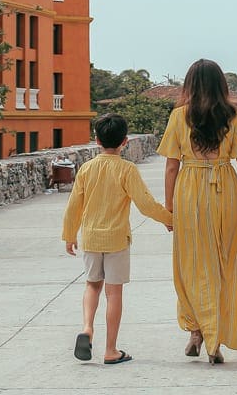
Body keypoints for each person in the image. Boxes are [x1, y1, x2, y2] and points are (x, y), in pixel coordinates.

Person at [158, 59, 237, 364]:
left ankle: (197, 330)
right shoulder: (231, 116)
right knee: (225, 261)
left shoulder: (179, 116)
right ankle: (215, 336)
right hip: (224, 192)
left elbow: (170, 165)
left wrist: (169, 207)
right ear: (221, 84)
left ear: (189, 84)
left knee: (191, 263)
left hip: (189, 191)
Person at [62, 113, 173, 365]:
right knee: (114, 294)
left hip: (90, 238)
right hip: (116, 240)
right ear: (125, 141)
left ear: (96, 140)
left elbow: (73, 206)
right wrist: (169, 219)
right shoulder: (127, 170)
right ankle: (110, 350)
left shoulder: (86, 169)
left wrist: (69, 235)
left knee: (92, 284)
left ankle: (87, 329)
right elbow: (145, 204)